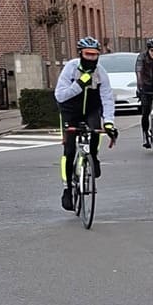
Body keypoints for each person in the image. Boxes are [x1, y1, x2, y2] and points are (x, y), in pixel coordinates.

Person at [54, 37, 117, 210]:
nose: (91, 58)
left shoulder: (101, 73)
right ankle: (67, 189)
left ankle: (93, 157)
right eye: (88, 54)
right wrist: (79, 84)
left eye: (94, 55)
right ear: (80, 54)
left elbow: (107, 99)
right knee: (69, 150)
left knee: (96, 130)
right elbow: (60, 96)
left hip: (91, 110)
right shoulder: (71, 68)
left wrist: (109, 122)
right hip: (70, 111)